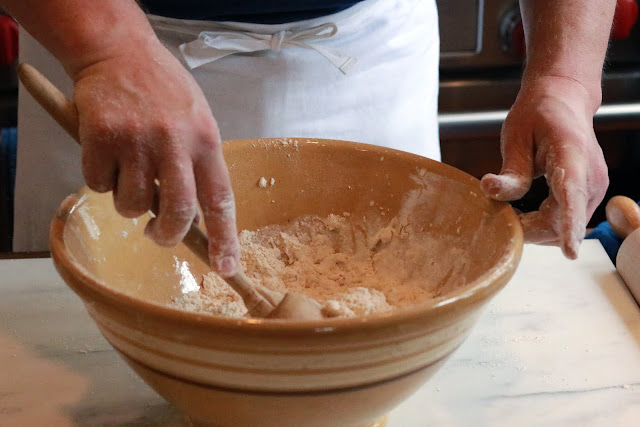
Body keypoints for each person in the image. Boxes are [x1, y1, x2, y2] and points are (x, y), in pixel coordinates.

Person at [3, 0, 614, 277]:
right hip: (103, 39)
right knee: (93, 334)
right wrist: (105, 48)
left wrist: (565, 77)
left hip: (367, 44)